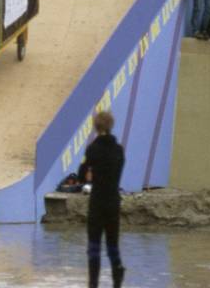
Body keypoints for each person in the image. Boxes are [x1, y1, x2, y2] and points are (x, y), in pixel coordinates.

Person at [82, 111, 126, 288]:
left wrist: (89, 173)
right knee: (112, 243)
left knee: (94, 246)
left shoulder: (92, 149)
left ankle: (93, 283)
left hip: (97, 202)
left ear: (95, 126)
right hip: (113, 202)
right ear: (111, 125)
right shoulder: (119, 150)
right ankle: (117, 277)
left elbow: (81, 174)